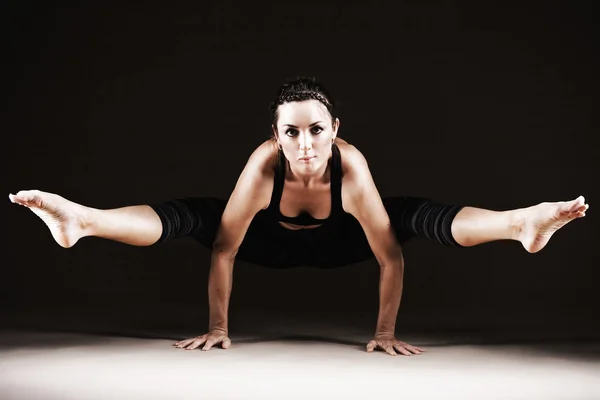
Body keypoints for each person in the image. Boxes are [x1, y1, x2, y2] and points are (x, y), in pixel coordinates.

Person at [8, 77, 589, 357]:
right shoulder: (264, 166)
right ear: (275, 136)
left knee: (409, 215)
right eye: (292, 131)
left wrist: (384, 333)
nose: (305, 143)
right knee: (197, 216)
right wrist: (218, 328)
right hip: (268, 243)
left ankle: (517, 224)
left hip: (343, 243)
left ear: (336, 132)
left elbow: (388, 254)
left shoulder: (351, 166)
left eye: (317, 130)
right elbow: (225, 249)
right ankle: (84, 220)